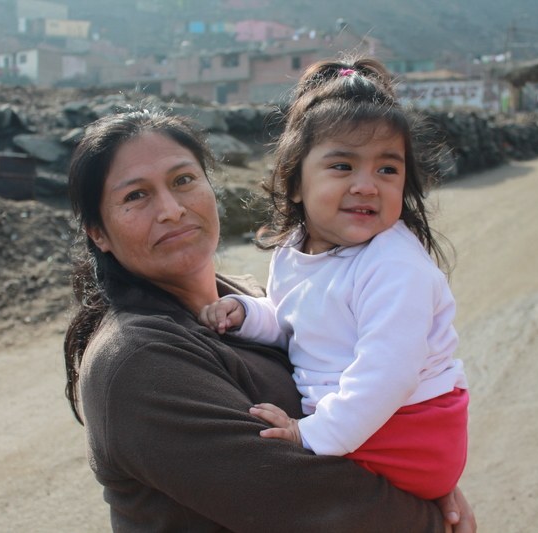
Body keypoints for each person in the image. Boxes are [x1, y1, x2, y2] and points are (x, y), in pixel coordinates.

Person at [64, 106, 476, 532]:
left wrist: (422, 475)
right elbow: (308, 505)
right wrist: (431, 520)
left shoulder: (248, 299)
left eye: (183, 180)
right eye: (136, 195)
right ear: (98, 232)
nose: (171, 209)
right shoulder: (138, 361)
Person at [199, 57, 468, 501]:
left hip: (410, 427)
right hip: (363, 419)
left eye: (387, 169)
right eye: (342, 166)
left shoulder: (395, 266)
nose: (367, 185)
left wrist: (311, 435)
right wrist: (246, 313)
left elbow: (390, 375)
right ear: (296, 182)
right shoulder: (294, 249)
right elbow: (295, 319)